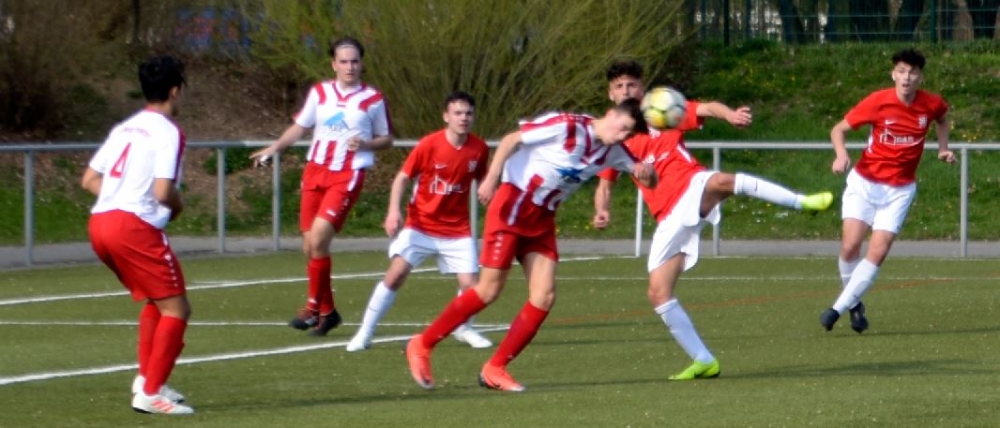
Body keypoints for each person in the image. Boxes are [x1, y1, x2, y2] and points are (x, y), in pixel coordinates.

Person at [594, 60, 834, 380]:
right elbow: (604, 186)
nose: (626, 91)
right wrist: (602, 209)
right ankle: (704, 360)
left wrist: (731, 114)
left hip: (691, 185)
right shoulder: (614, 141)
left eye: (632, 85)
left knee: (721, 181)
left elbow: (707, 108)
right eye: (619, 87)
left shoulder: (663, 109)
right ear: (611, 95)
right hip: (669, 218)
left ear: (643, 88)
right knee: (658, 292)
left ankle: (801, 202)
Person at [404, 99, 657, 392]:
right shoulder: (568, 126)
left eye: (628, 134)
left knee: (544, 296)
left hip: (542, 220)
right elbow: (513, 139)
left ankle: (494, 368)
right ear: (610, 114)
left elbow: (649, 179)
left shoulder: (614, 150)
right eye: (622, 128)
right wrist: (491, 176)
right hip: (512, 206)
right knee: (488, 290)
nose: (622, 136)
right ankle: (422, 344)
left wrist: (647, 173)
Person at [250, 36, 393, 336]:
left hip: (347, 174)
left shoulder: (373, 99)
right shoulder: (319, 93)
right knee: (310, 246)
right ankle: (328, 313)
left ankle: (313, 307)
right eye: (344, 61)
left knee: (317, 240)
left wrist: (366, 143)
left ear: (362, 63)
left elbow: (387, 139)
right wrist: (274, 148)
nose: (350, 66)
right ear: (333, 64)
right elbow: (301, 127)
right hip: (315, 171)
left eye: (355, 61)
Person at [82, 55, 194, 414]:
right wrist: (177, 208)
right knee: (177, 307)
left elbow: (89, 180)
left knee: (155, 300)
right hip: (132, 227)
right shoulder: (169, 132)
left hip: (100, 223)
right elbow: (163, 191)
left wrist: (118, 199)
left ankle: (146, 380)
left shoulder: (125, 128)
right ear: (175, 91)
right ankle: (150, 393)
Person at [346, 91, 493, 352]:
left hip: (457, 229)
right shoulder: (429, 144)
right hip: (421, 226)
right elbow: (402, 178)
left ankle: (464, 328)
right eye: (458, 113)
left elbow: (484, 180)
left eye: (468, 113)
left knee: (472, 287)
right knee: (396, 274)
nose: (463, 118)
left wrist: (490, 190)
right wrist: (393, 211)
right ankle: (364, 333)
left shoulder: (478, 149)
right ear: (446, 116)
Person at [819, 48, 952, 333]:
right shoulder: (877, 102)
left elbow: (943, 118)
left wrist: (943, 148)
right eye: (901, 71)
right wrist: (841, 155)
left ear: (920, 77)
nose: (906, 78)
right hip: (864, 183)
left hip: (899, 191)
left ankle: (836, 309)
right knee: (850, 247)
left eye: (913, 72)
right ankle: (855, 305)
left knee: (878, 251)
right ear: (893, 74)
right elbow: (838, 129)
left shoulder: (931, 104)